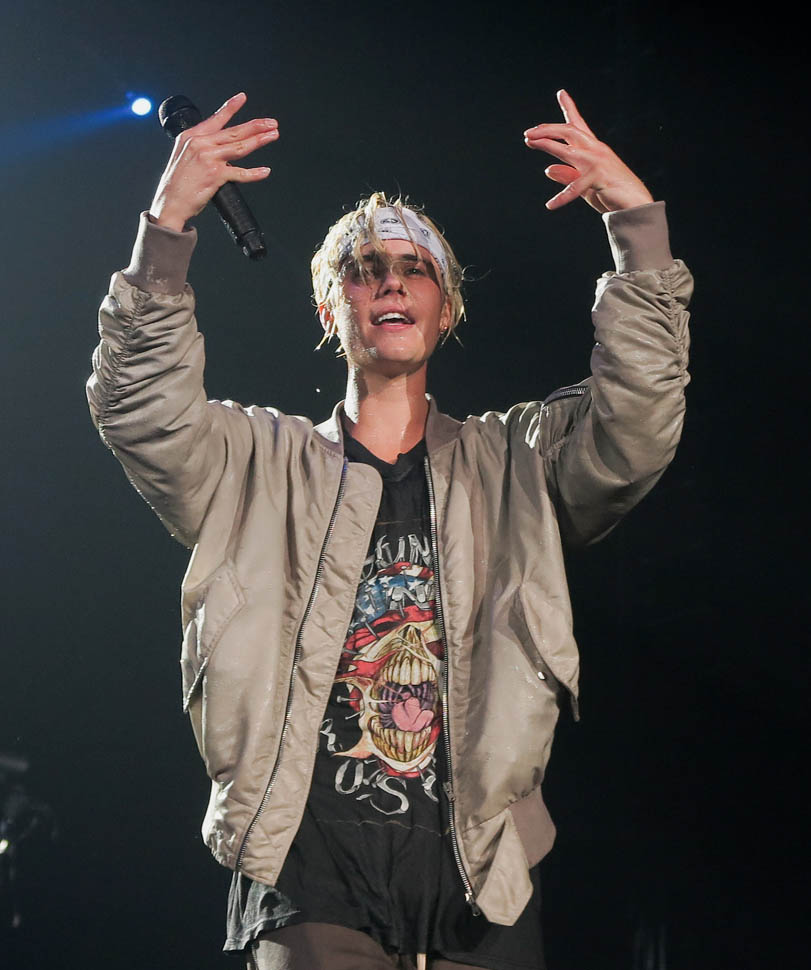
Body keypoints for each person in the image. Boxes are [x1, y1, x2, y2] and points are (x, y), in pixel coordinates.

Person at [87, 89, 692, 970]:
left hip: (485, 877)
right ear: (330, 310)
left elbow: (637, 423)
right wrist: (168, 226)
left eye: (414, 270)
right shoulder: (257, 464)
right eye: (364, 268)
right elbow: (139, 407)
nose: (391, 282)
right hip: (308, 873)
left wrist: (637, 231)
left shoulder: (517, 462)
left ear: (446, 310)